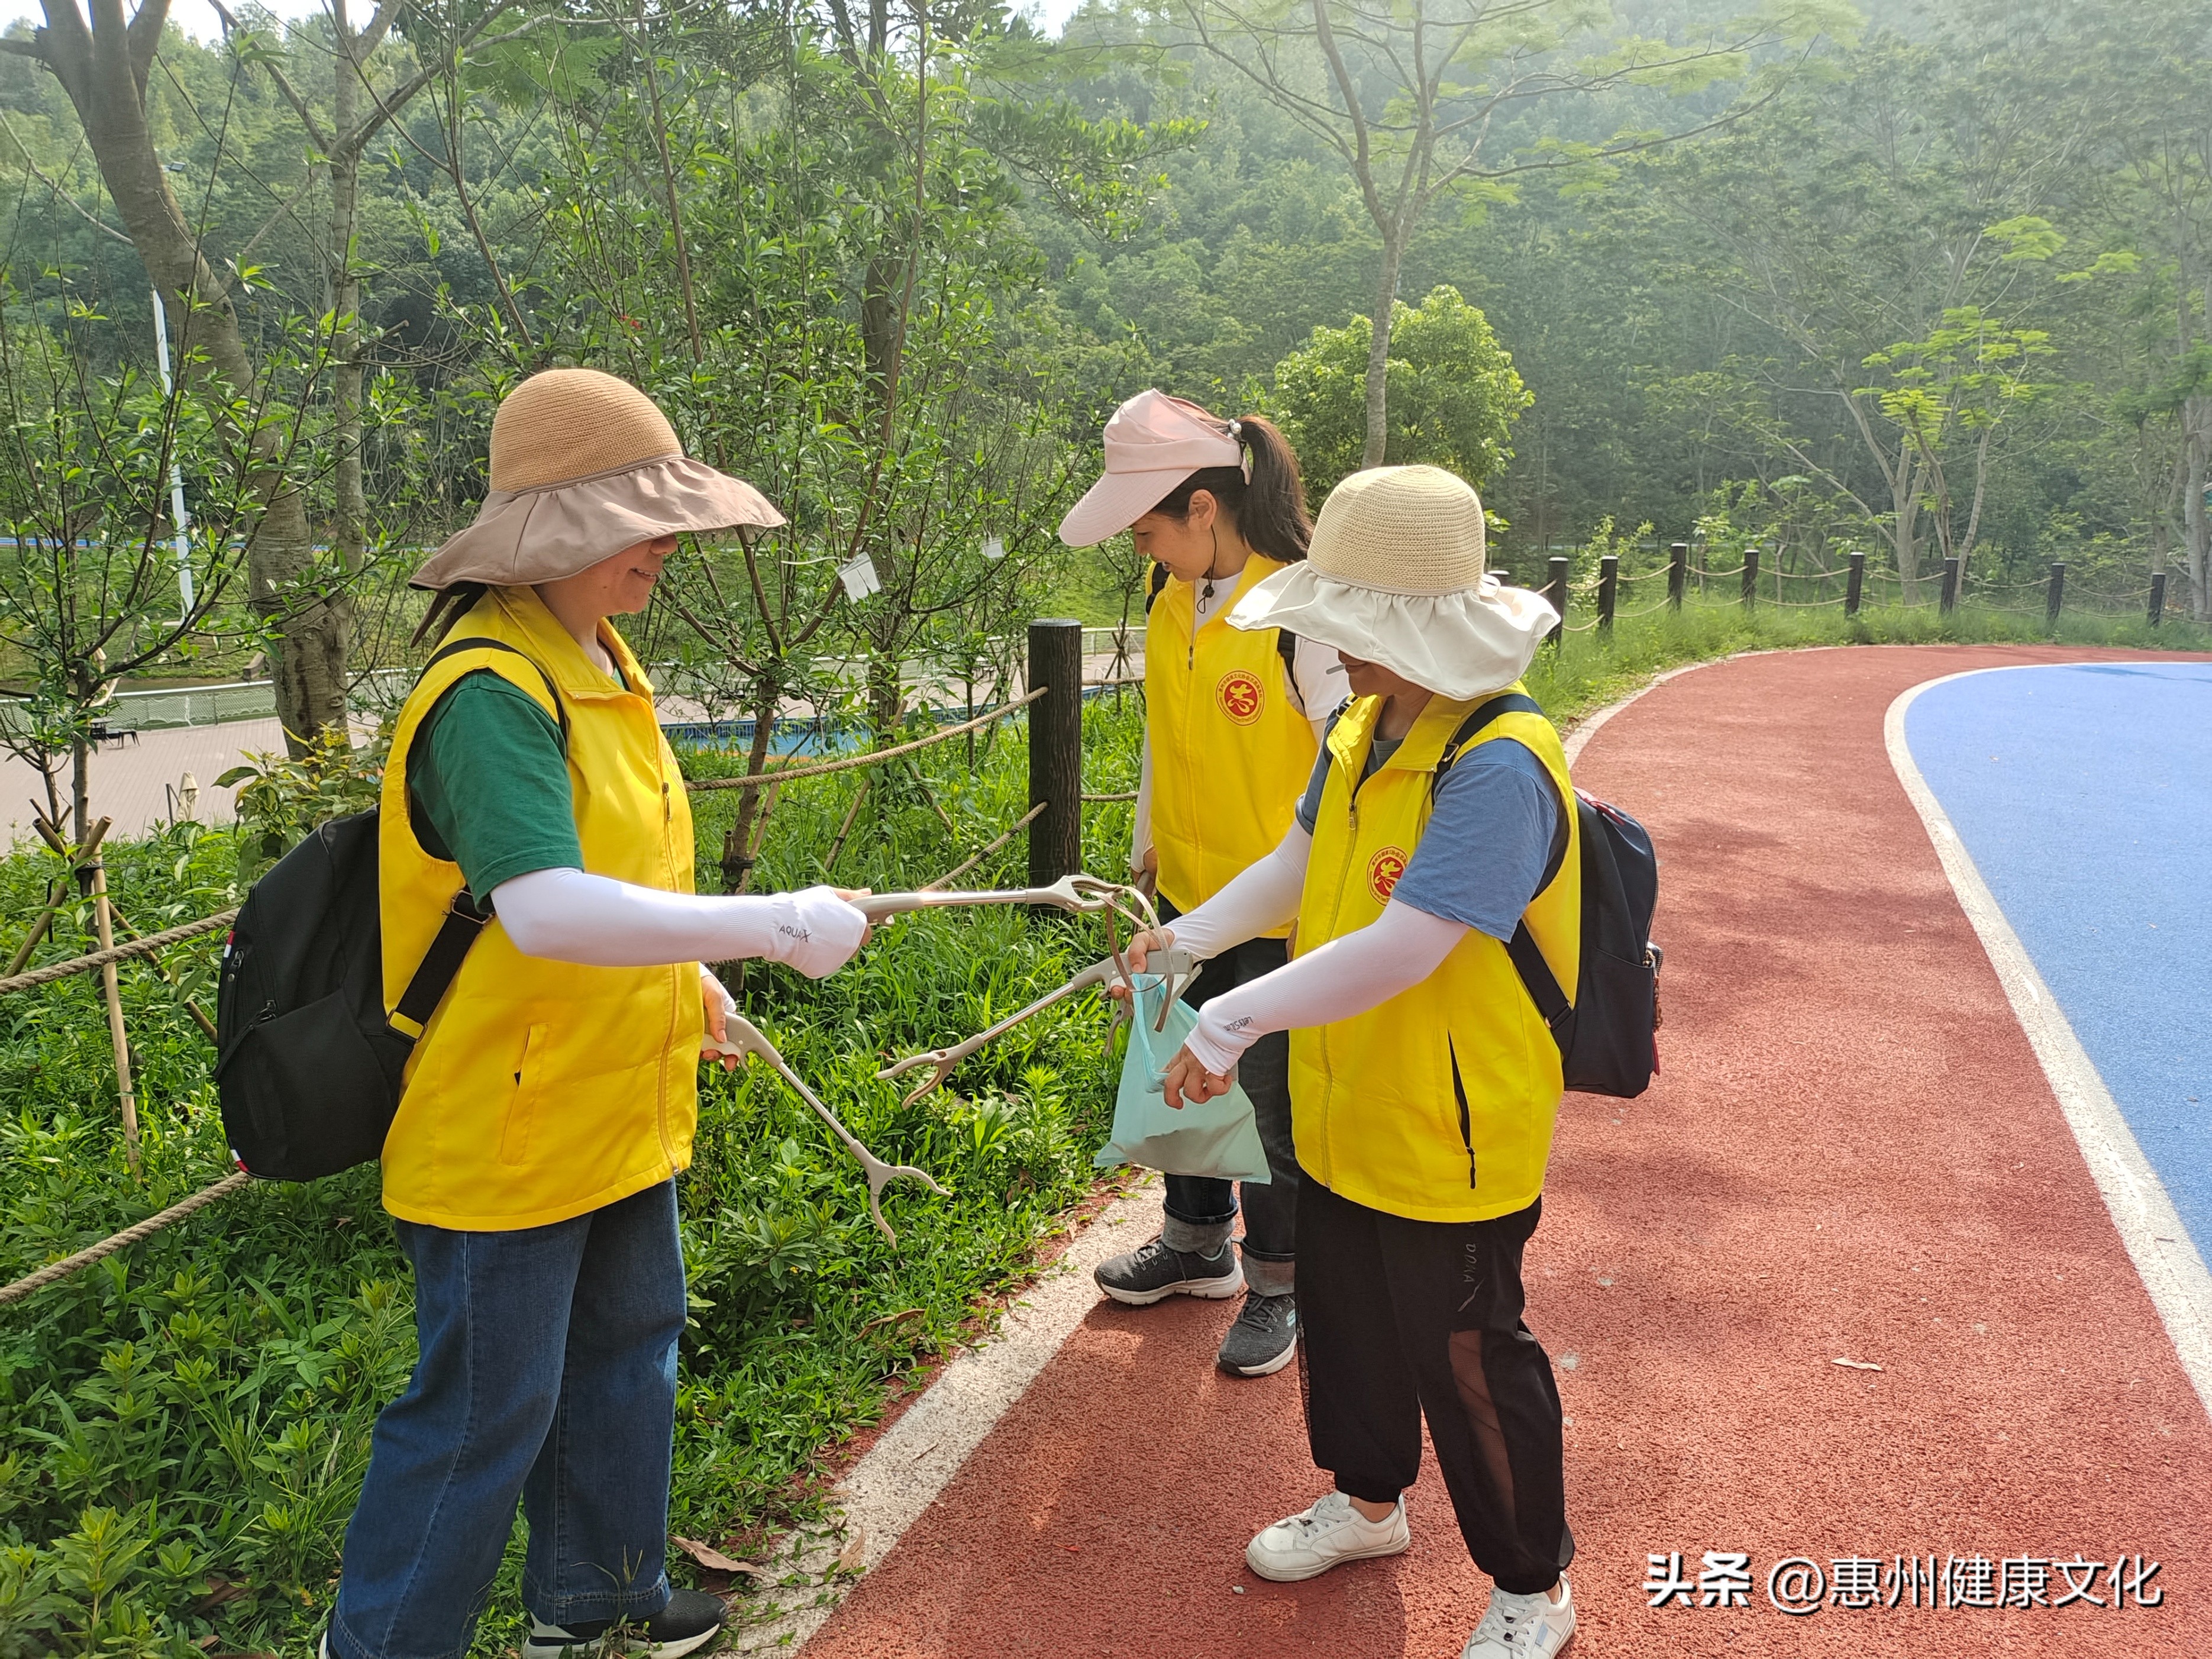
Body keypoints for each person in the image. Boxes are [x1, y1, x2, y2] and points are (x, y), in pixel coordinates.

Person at [326, 369, 871, 1659]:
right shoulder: (490, 691)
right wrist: (771, 923)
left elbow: (622, 873)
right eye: (641, 520)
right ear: (555, 529)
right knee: (484, 1412)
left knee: (629, 1346)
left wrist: (695, 979)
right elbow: (546, 908)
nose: (667, 543)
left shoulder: (594, 654)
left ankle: (594, 1594)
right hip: (510, 1119)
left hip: (614, 1089)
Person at [1120, 465, 1582, 1658]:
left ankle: (1531, 1584)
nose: (1332, 649)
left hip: (1449, 1128)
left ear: (1420, 629)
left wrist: (1226, 1023)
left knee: (1468, 1354)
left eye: (1352, 627)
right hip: (1345, 1102)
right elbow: (1296, 862)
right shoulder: (1367, 726)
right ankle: (1368, 1504)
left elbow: (1407, 948)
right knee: (1349, 1326)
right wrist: (1189, 936)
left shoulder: (1499, 763)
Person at [1058, 389, 1346, 1377]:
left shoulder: (1301, 614)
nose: (1141, 547)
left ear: (1204, 508)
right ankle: (1195, 1244)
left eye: (1147, 528)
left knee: (1262, 1104)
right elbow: (1162, 737)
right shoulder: (1170, 599)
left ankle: (1279, 1282)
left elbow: (1340, 773)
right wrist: (1147, 842)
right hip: (1183, 895)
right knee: (1179, 1071)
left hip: (1275, 913)